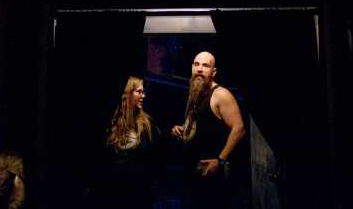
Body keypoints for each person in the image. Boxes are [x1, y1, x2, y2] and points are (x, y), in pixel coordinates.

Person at [171, 51, 245, 209]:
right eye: (196, 64)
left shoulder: (221, 94)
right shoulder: (194, 93)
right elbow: (197, 124)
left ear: (214, 72)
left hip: (212, 175)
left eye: (205, 65)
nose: (199, 69)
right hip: (193, 173)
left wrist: (220, 160)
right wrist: (181, 129)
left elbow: (239, 129)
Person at [101, 76, 159, 208]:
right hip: (111, 194)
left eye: (143, 92)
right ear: (128, 93)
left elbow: (155, 159)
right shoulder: (112, 122)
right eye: (139, 91)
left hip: (137, 196)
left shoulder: (148, 124)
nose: (143, 96)